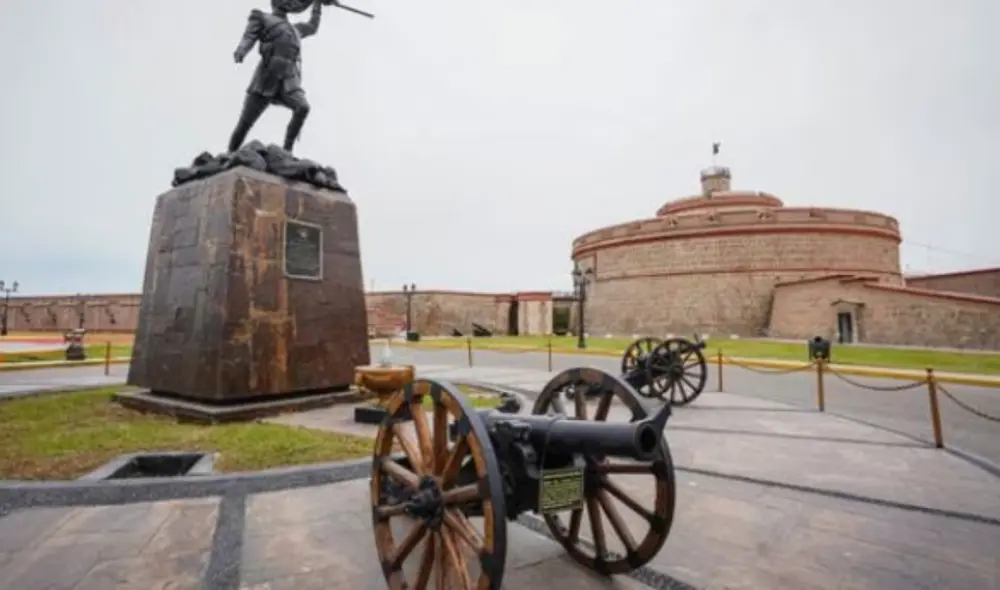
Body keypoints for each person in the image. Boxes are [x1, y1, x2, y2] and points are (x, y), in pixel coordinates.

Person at [228, 0, 325, 153]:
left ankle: (287, 150)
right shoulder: (263, 18)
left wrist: (317, 5)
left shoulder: (295, 30)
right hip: (267, 76)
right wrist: (242, 50)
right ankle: (230, 155)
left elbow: (312, 27)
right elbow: (249, 36)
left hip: (289, 79)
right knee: (245, 123)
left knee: (303, 108)